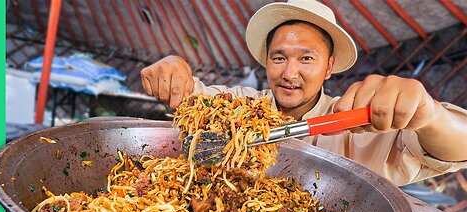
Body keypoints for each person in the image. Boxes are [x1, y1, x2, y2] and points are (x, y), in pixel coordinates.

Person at [140, 0, 466, 186]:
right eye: (279, 57)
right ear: (267, 62)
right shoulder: (238, 105)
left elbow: (454, 147)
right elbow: (190, 94)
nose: (289, 73)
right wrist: (173, 66)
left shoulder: (357, 124)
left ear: (329, 67)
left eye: (306, 58)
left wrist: (430, 116)